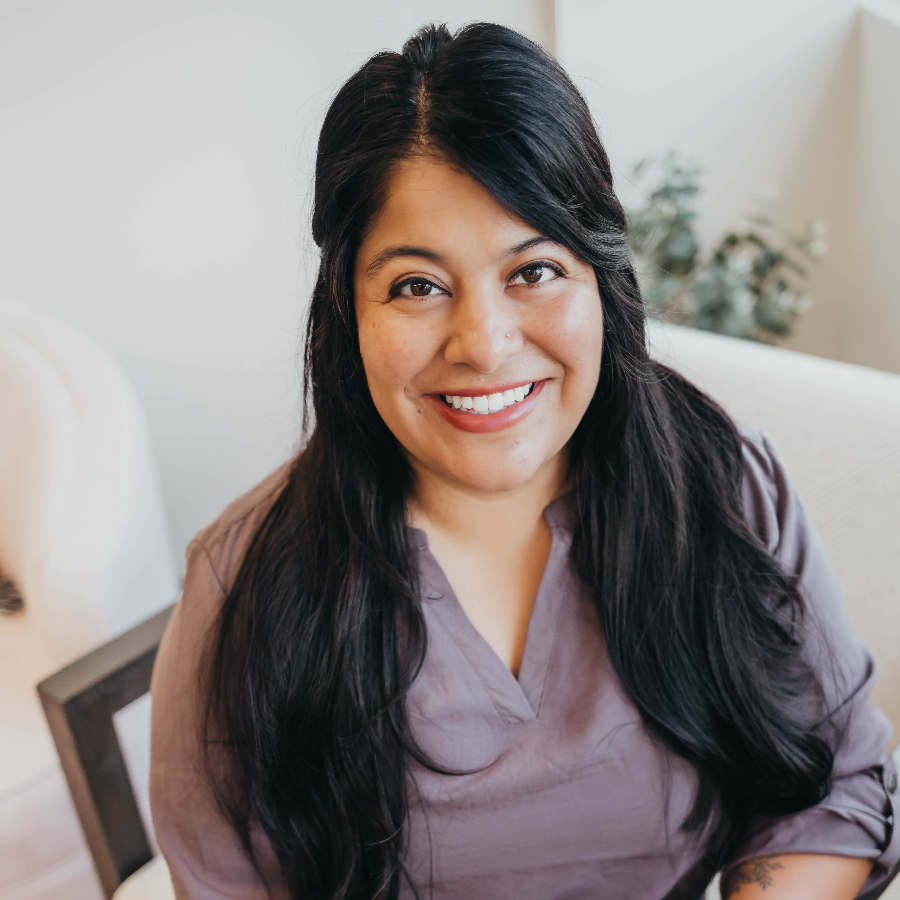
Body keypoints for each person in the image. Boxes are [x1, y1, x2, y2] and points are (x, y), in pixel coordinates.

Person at [149, 22, 900, 900]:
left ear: (600, 277)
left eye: (534, 270)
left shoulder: (725, 488)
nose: (485, 343)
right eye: (417, 286)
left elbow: (834, 788)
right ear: (348, 312)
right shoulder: (244, 589)